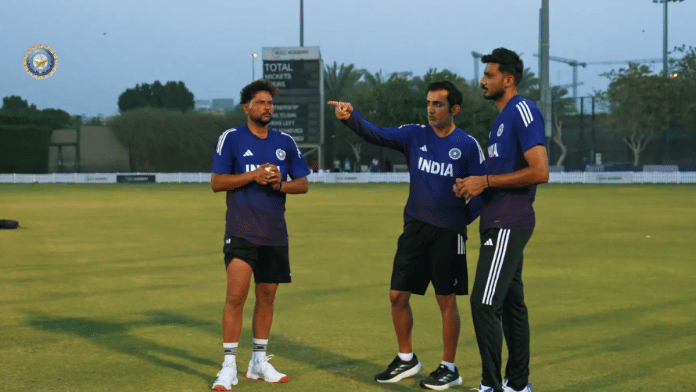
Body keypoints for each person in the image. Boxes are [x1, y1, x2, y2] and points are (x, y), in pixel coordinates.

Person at [328, 80, 486, 391]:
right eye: (429, 103)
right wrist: (351, 118)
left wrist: (460, 220)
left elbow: (482, 190)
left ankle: (449, 367)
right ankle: (406, 359)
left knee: (445, 299)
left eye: (438, 104)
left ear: (454, 109)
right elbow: (377, 134)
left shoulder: (467, 145)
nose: (431, 109)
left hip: (448, 233)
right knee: (397, 295)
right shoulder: (415, 135)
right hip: (414, 229)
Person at [454, 48, 549, 392]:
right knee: (511, 305)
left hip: (509, 222)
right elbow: (500, 176)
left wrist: (487, 181)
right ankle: (518, 384)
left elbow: (540, 170)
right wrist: (473, 185)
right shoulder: (502, 118)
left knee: (483, 303)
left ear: (507, 80)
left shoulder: (522, 111)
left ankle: (492, 386)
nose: (483, 80)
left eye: (489, 75)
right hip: (499, 220)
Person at [210, 79, 311, 391]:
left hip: (274, 234)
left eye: (271, 103)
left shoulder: (285, 142)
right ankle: (228, 367)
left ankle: (258, 361)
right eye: (262, 103)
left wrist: (279, 184)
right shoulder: (231, 138)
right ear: (247, 107)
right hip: (241, 231)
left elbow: (303, 183)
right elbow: (217, 182)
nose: (268, 108)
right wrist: (252, 176)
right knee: (236, 297)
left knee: (267, 299)